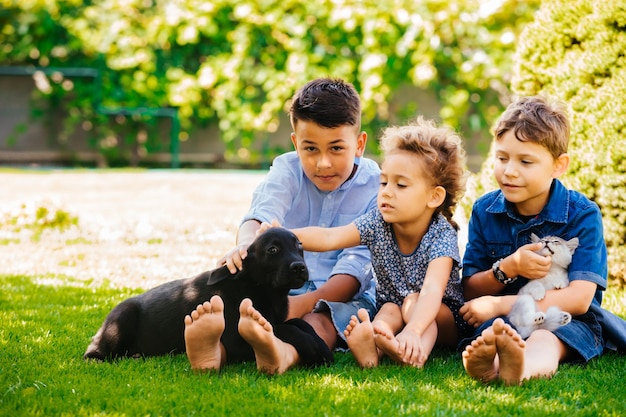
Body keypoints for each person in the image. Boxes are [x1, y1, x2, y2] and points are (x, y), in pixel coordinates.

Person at [183, 77, 381, 374]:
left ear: (359, 144)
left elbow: (355, 268)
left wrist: (301, 305)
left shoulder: (376, 187)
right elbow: (261, 212)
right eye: (310, 149)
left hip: (338, 296)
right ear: (295, 143)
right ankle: (215, 352)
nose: (323, 163)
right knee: (245, 308)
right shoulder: (287, 169)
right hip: (277, 288)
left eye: (336, 149)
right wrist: (245, 243)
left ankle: (282, 354)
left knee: (319, 322)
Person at [264, 117, 472, 368]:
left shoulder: (441, 234)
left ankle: (414, 353)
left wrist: (413, 330)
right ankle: (374, 348)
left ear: (434, 196)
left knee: (412, 302)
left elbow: (432, 292)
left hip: (441, 316)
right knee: (387, 313)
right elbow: (330, 237)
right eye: (384, 182)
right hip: (397, 308)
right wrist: (285, 233)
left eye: (401, 184)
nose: (386, 191)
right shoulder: (378, 222)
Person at [459, 95, 612, 385]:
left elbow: (579, 300)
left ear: (558, 165)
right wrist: (509, 267)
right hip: (506, 321)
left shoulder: (582, 215)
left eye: (525, 161)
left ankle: (523, 369)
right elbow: (469, 290)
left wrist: (500, 304)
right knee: (497, 332)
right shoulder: (484, 210)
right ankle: (491, 365)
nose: (509, 170)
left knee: (545, 336)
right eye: (502, 158)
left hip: (564, 318)